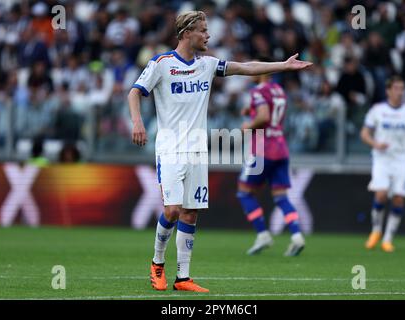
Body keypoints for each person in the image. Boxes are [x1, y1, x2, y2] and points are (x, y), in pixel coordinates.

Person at [127, 11, 312, 293]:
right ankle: (157, 263)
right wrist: (138, 122)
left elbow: (246, 67)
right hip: (171, 147)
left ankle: (183, 278)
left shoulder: (208, 64)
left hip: (198, 150)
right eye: (202, 30)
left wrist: (284, 66)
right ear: (187, 33)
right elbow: (134, 92)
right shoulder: (161, 64)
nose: (208, 35)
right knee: (173, 210)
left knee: (191, 213)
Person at [237, 58, 305, 257]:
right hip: (281, 148)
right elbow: (270, 113)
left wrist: (247, 126)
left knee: (244, 192)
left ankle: (263, 234)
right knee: (281, 197)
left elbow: (264, 116)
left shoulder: (258, 91)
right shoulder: (279, 91)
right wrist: (249, 111)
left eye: (256, 65)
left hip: (262, 148)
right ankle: (297, 236)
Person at [360, 76, 405, 252]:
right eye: (397, 88)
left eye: (402, 88)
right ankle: (376, 231)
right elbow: (364, 133)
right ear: (388, 90)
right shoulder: (378, 110)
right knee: (381, 195)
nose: (400, 92)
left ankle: (388, 238)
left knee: (399, 198)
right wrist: (375, 144)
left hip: (401, 160)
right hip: (382, 158)